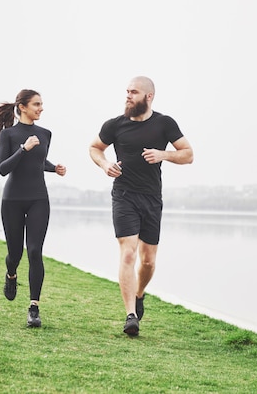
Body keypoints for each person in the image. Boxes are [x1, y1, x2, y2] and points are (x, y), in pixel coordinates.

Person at [89, 76, 193, 336]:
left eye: (133, 92)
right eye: (126, 91)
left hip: (151, 198)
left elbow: (188, 154)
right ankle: (130, 315)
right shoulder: (115, 125)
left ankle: (139, 293)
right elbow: (94, 147)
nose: (127, 96)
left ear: (149, 97)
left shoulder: (164, 124)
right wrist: (104, 164)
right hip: (123, 195)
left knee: (147, 261)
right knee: (128, 253)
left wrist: (164, 155)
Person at [0, 89, 67, 327]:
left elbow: (38, 162)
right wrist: (23, 148)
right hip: (12, 200)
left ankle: (34, 308)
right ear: (22, 107)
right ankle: (11, 275)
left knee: (34, 251)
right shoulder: (8, 135)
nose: (41, 108)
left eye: (41, 104)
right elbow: (3, 168)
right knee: (15, 254)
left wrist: (54, 168)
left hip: (38, 199)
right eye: (37, 104)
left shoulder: (45, 133)